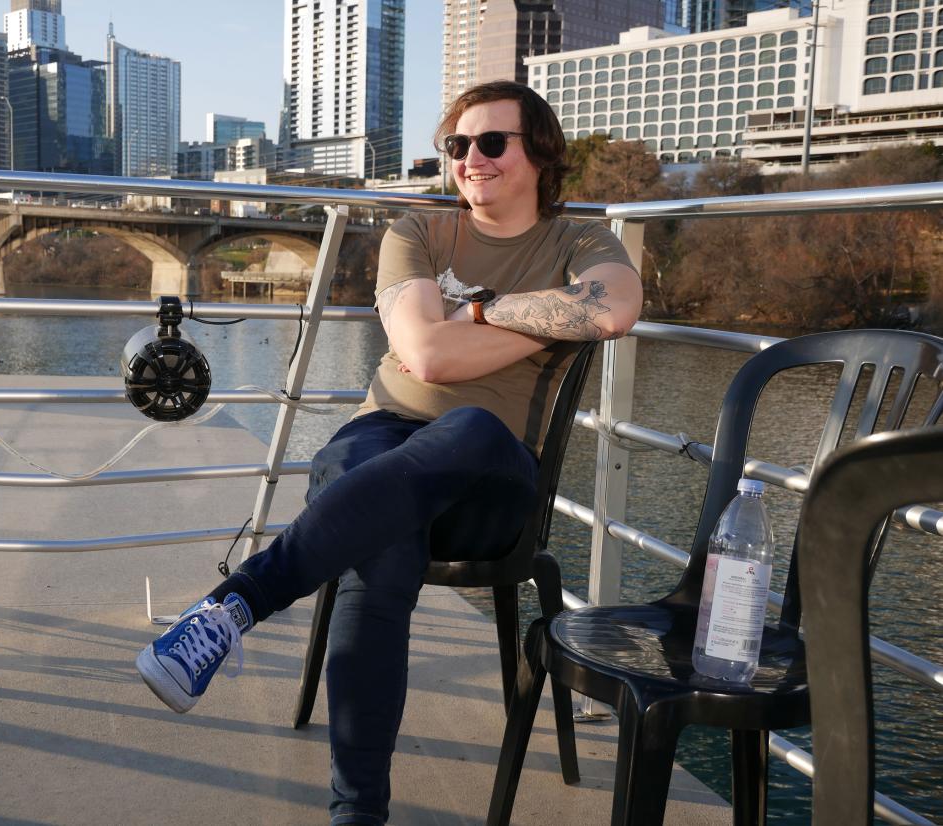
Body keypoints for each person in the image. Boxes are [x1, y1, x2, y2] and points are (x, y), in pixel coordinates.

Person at [135, 80, 642, 824]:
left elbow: (614, 307)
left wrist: (469, 309)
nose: (472, 159)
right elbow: (424, 355)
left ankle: (236, 605)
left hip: (490, 474)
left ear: (540, 153)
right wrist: (546, 320)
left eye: (492, 142)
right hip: (380, 434)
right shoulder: (419, 232)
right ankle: (357, 814)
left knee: (463, 432)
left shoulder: (579, 241)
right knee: (379, 530)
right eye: (458, 145)